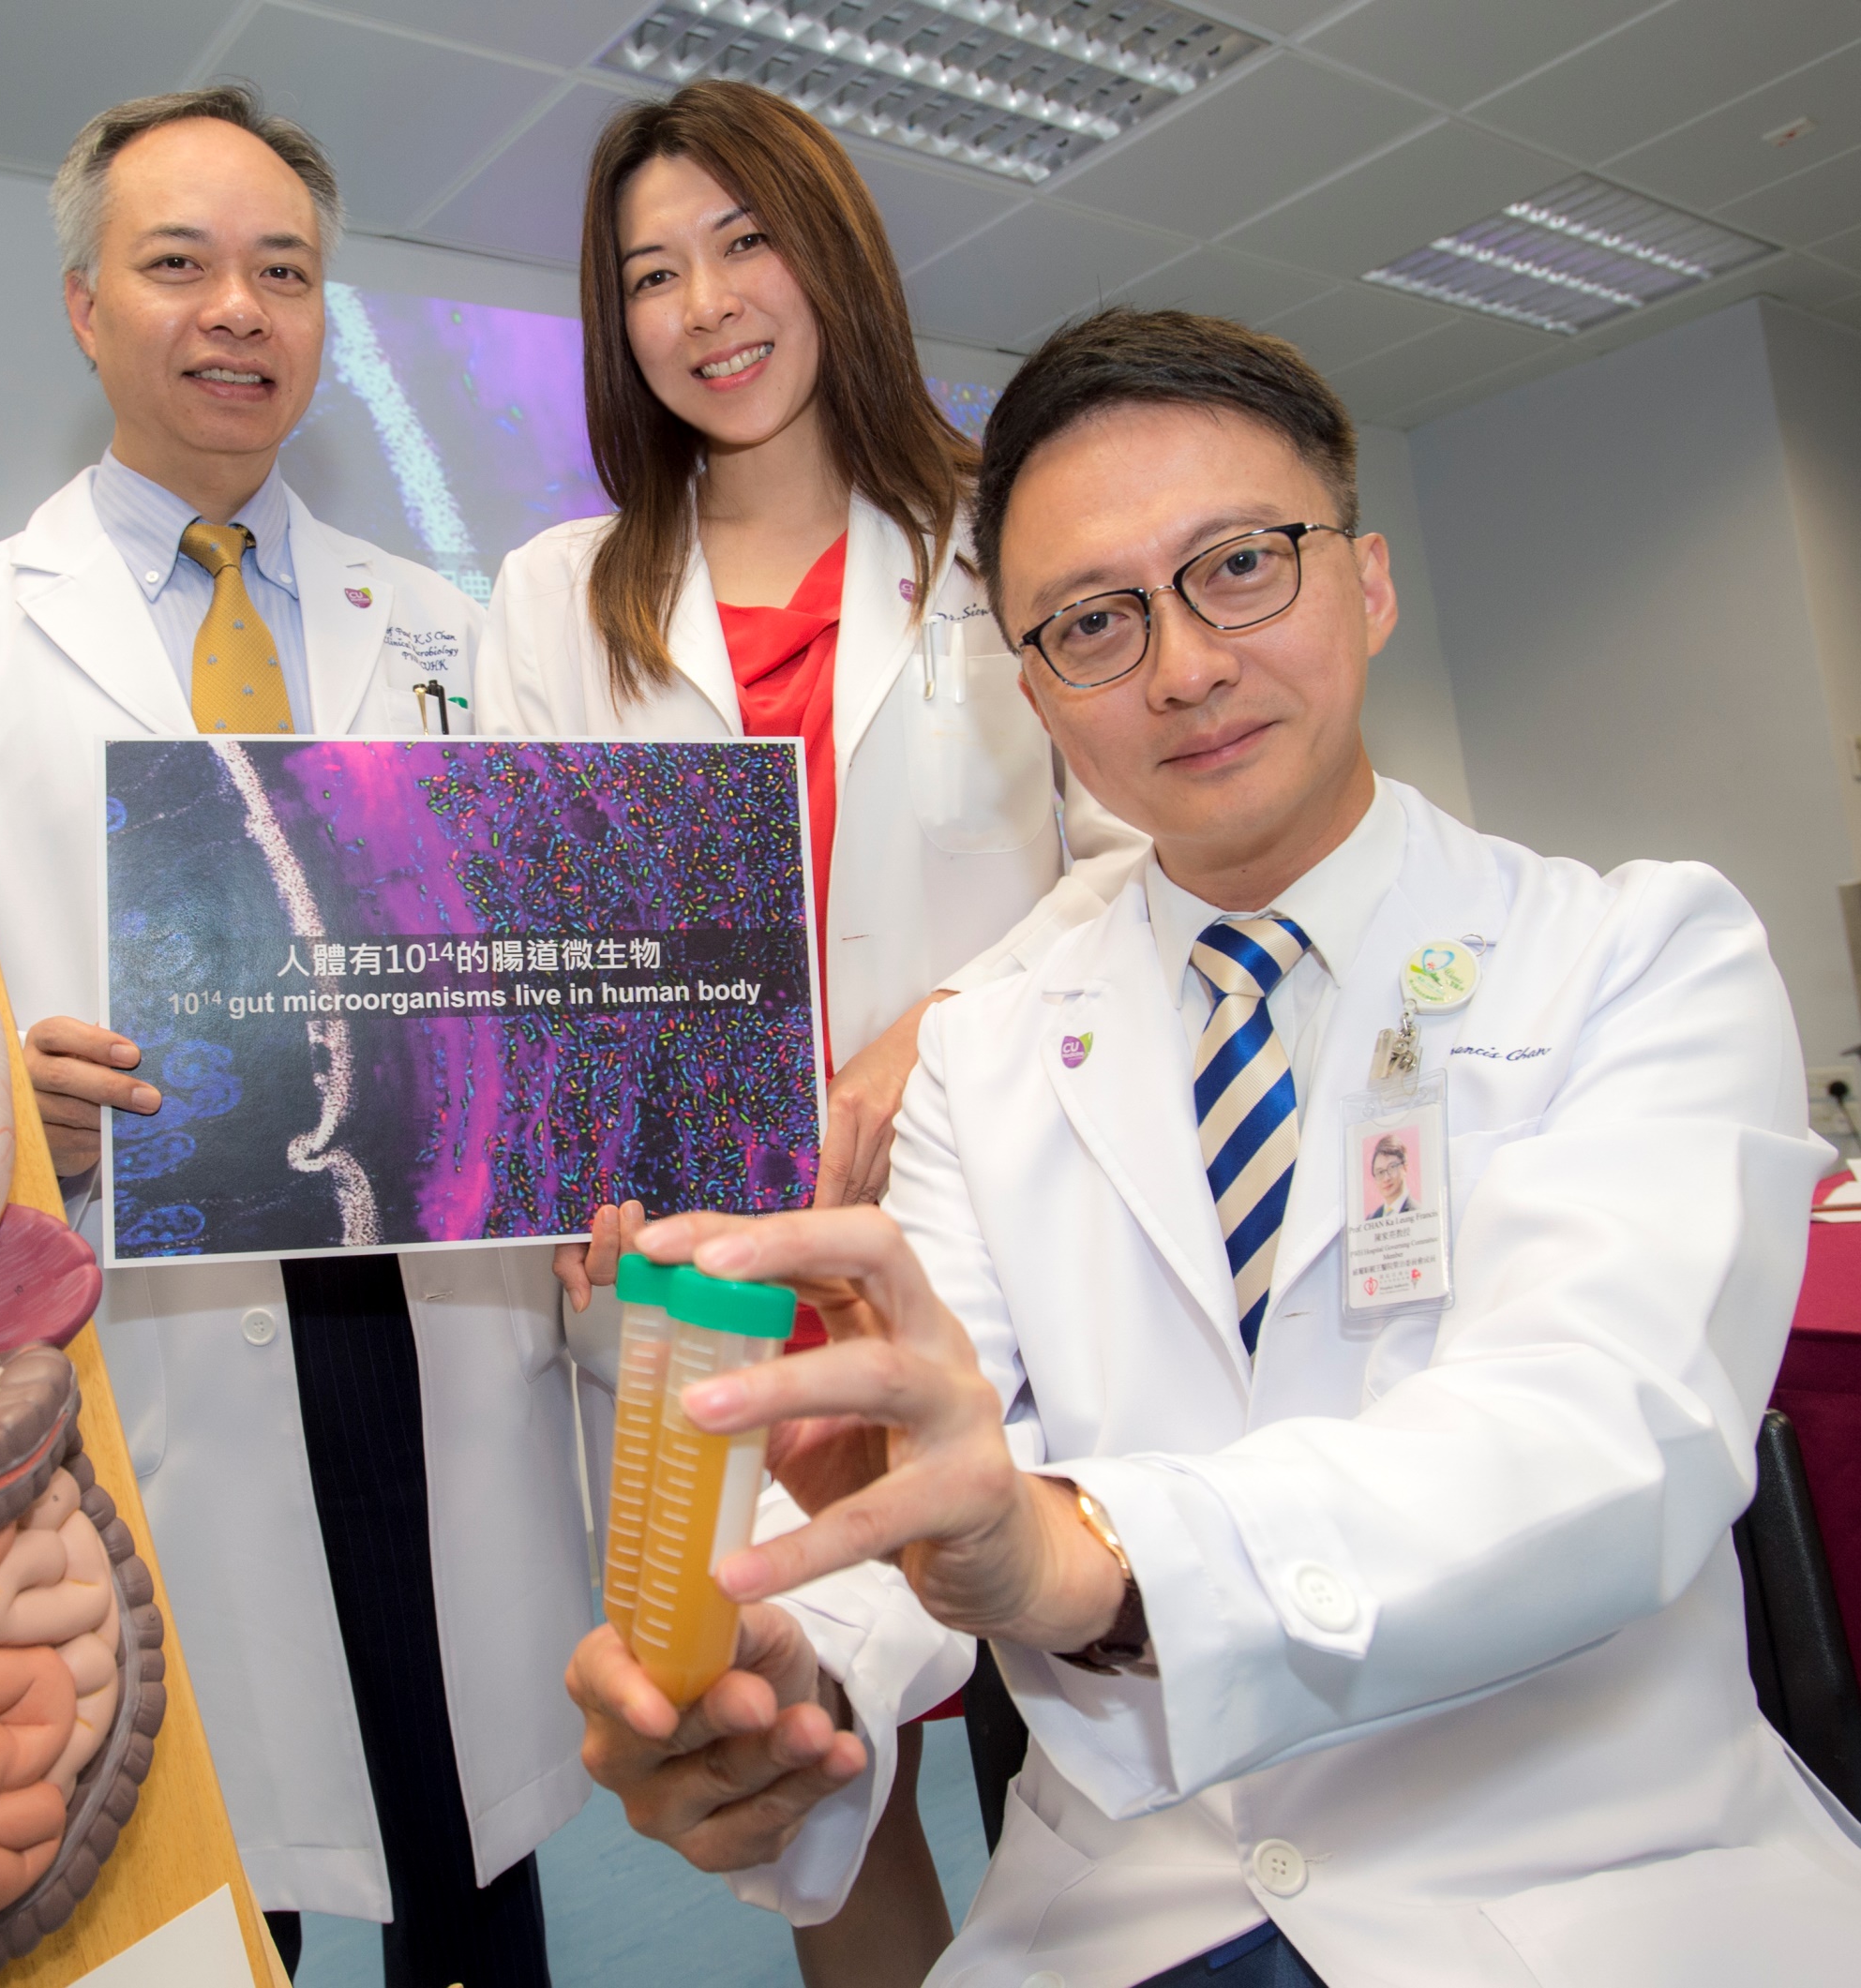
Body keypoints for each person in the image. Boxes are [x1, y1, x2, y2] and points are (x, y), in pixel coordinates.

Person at [568, 307, 1861, 1985]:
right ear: (1034, 689)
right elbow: (941, 1494)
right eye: (1094, 622)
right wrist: (791, 1677)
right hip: (1132, 1907)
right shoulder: (985, 1053)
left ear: (1371, 582)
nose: (1181, 664)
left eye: (1241, 565)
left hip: (1589, 1888)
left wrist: (1090, 1557)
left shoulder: (1641, 957)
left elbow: (1604, 1439)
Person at [0, 87, 589, 1987]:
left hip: (429, 1310)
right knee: (207, 1858)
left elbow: (539, 963)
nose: (238, 309)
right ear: (82, 305)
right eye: (181, 263)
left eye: (283, 270)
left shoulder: (449, 632)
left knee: (469, 1848)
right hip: (155, 1322)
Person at [472, 79, 1143, 1984]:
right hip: (728, 1274)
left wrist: (929, 1031)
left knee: (1083, 1696)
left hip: (998, 1220)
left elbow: (1135, 854)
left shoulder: (997, 529)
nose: (706, 305)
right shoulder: (554, 595)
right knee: (811, 1758)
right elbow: (546, 937)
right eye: (651, 274)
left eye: (743, 242)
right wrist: (583, 1156)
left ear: (829, 248)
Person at [1364, 1134, 1415, 1218]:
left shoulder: (1418, 1212)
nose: (1386, 1178)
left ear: (1405, 1168)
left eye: (1392, 1168)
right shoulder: (1371, 1219)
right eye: (1380, 1172)